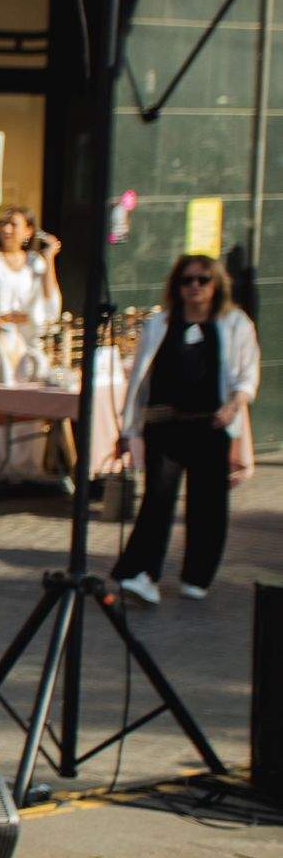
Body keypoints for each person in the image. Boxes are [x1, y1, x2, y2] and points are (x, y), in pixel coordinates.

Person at [111, 254, 261, 605]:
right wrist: (129, 425)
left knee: (207, 501)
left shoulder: (234, 323)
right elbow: (140, 379)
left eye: (203, 280)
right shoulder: (160, 324)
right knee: (158, 499)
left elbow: (247, 373)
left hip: (209, 424)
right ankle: (143, 573)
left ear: (216, 285)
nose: (194, 287)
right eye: (187, 280)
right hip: (164, 424)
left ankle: (197, 575)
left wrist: (233, 405)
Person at [0, 207, 62, 482]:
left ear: (28, 231)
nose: (6, 229)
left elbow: (50, 305)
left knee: (32, 379)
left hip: (23, 341)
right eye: (4, 224)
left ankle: (26, 464)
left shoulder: (34, 263)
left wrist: (48, 259)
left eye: (13, 224)